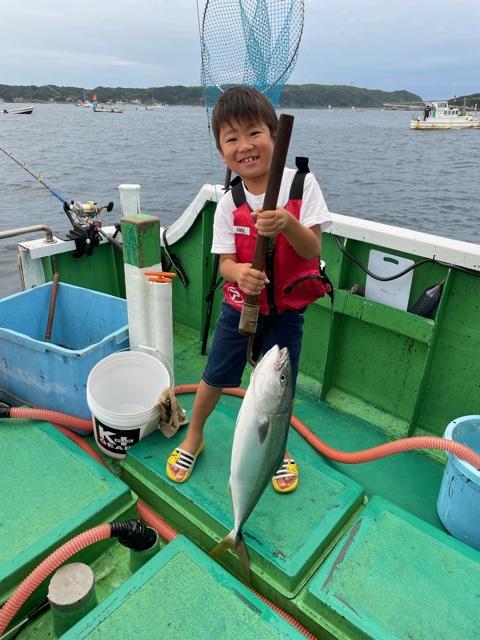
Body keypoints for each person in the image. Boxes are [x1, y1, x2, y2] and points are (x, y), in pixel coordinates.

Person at [166, 86, 332, 493]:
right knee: (214, 377)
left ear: (274, 135)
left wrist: (287, 223)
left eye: (254, 133)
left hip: (285, 314)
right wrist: (240, 273)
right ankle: (195, 435)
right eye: (231, 138)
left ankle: (277, 450)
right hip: (240, 309)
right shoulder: (229, 203)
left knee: (279, 390)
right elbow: (225, 264)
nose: (245, 146)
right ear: (221, 151)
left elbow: (312, 249)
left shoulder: (301, 185)